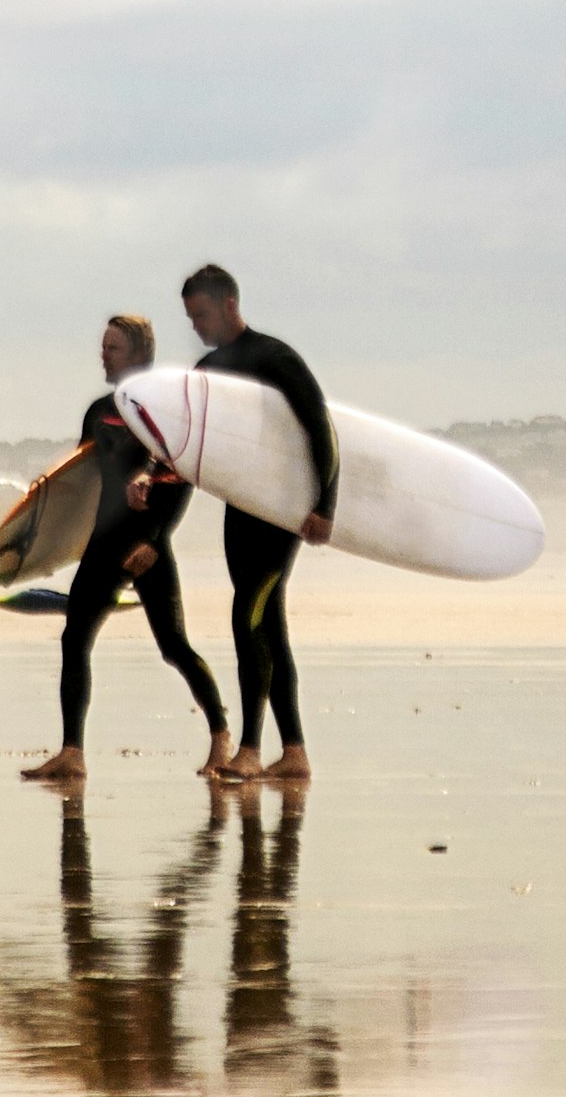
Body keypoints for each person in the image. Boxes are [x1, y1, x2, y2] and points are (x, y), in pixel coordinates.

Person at [24, 314, 230, 783]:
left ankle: (221, 738)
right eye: (103, 346)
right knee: (75, 639)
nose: (103, 354)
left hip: (146, 543)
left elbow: (181, 478)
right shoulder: (98, 411)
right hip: (104, 540)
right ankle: (71, 753)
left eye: (112, 348)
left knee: (174, 646)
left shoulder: (164, 410)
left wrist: (155, 540)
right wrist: (44, 529)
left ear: (138, 354)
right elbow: (80, 484)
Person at [182, 265, 334, 785]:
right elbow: (193, 446)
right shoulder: (208, 369)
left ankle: (249, 748)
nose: (197, 326)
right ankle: (294, 754)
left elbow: (320, 428)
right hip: (239, 509)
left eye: (201, 314)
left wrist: (325, 506)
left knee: (247, 615)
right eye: (191, 318)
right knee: (268, 624)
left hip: (280, 514)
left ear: (229, 304)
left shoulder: (275, 358)